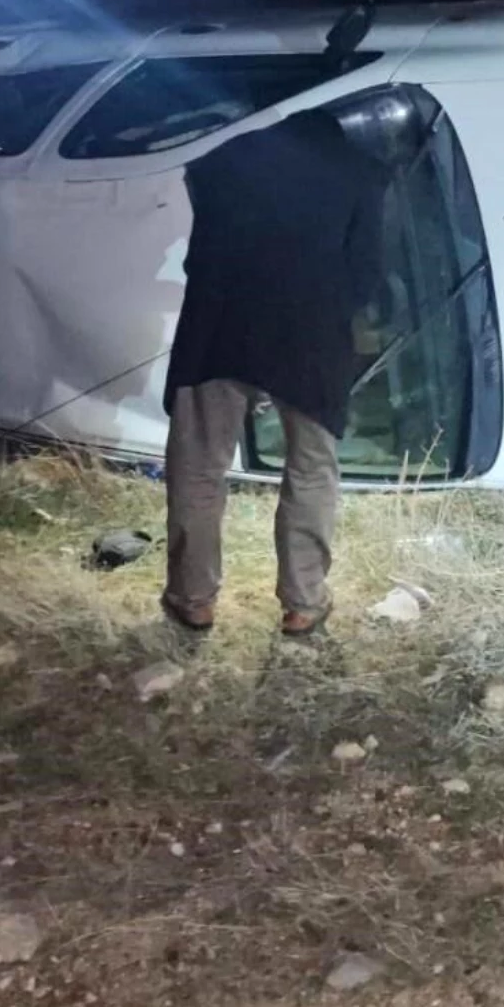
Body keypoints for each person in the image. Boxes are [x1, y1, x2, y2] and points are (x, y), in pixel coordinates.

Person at [162, 106, 384, 637]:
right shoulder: (362, 170)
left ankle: (193, 600)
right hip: (310, 337)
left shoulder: (220, 161)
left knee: (198, 466)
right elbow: (365, 274)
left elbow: (198, 259)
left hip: (217, 328)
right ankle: (303, 604)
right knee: (311, 467)